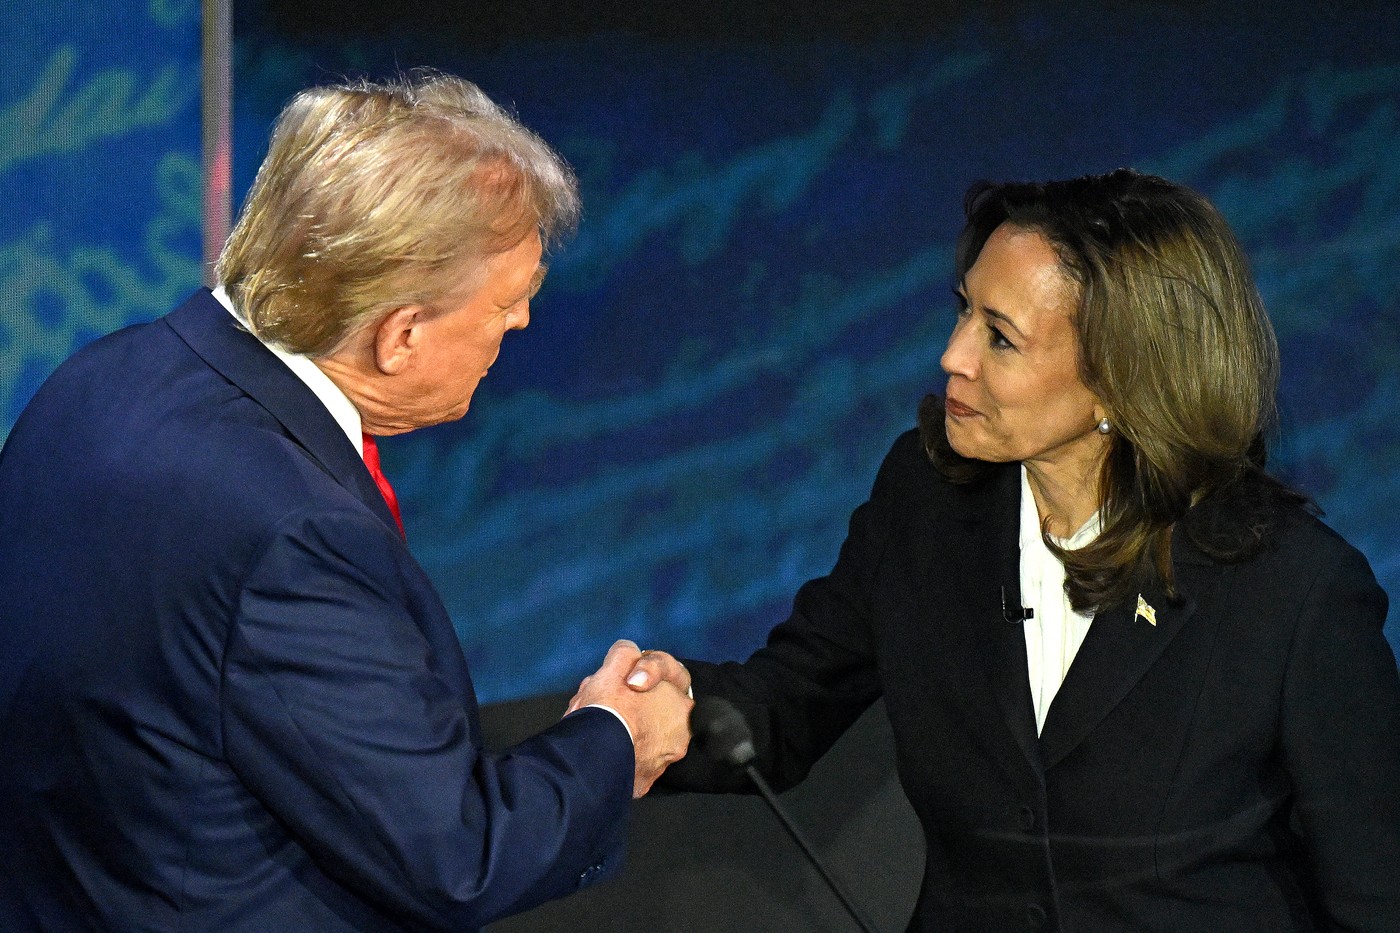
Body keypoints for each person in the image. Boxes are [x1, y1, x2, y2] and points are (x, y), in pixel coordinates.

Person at [0, 72, 691, 931]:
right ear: (399, 333)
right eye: (508, 308)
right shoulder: (296, 535)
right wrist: (612, 737)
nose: (515, 331)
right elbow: (456, 855)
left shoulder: (97, 377)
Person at [628, 169, 1400, 931]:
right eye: (963, 311)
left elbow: (1375, 893)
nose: (953, 355)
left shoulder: (1295, 591)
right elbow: (788, 699)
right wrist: (663, 710)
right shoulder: (925, 502)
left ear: (1121, 378)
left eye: (1000, 336)